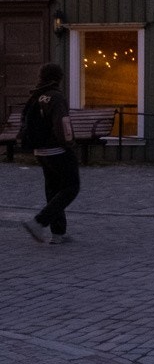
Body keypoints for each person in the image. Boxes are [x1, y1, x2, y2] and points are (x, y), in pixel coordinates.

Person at [19, 62, 78, 245]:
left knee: (53, 190)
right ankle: (39, 222)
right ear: (59, 78)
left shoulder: (37, 96)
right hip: (57, 150)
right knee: (71, 187)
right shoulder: (56, 97)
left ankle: (58, 234)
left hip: (41, 151)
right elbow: (62, 124)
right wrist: (69, 144)